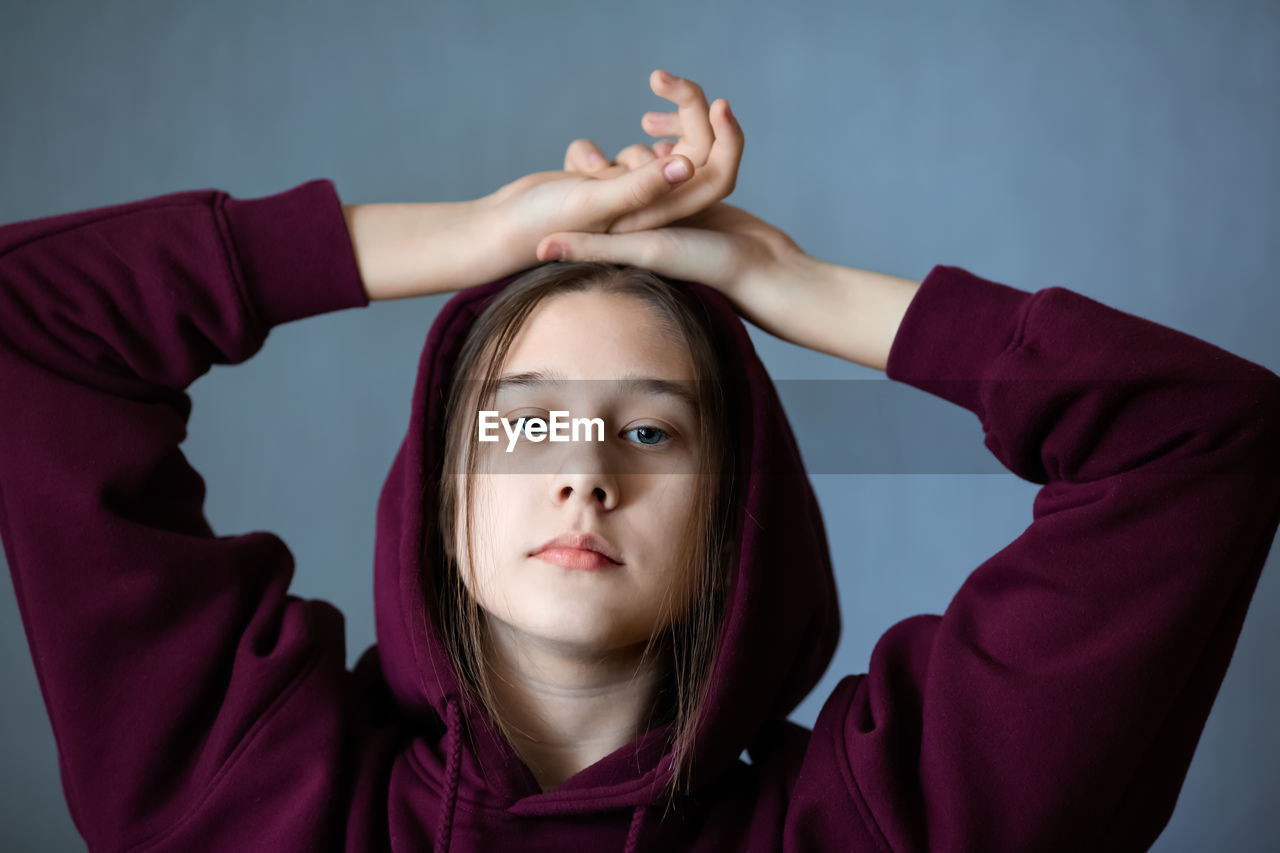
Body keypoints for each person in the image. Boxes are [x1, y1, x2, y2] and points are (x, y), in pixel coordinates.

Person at [0, 67, 1276, 853]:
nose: (582, 471)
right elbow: (29, 321)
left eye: (650, 429)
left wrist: (781, 281)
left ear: (737, 516)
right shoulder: (251, 794)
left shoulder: (894, 819)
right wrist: (473, 236)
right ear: (440, 497)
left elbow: (1199, 436)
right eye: (526, 419)